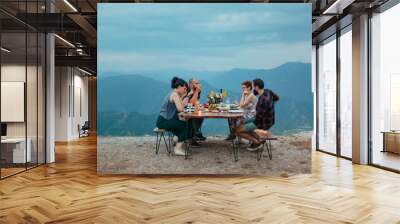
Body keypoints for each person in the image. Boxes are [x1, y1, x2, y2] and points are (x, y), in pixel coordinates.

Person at [234, 78, 279, 151]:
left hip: (263, 122)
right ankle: (255, 138)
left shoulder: (263, 100)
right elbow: (277, 98)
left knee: (237, 131)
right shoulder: (268, 91)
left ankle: (257, 142)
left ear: (257, 87)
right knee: (241, 122)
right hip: (269, 120)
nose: (252, 88)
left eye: (253, 86)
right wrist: (270, 107)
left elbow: (258, 118)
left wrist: (255, 112)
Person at [156, 77, 192, 156]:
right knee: (185, 125)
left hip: (165, 120)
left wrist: (183, 96)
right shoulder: (175, 95)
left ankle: (177, 139)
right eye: (184, 88)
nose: (185, 90)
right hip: (163, 121)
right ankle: (177, 149)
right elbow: (180, 109)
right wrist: (185, 96)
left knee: (186, 123)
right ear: (179, 86)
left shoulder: (175, 94)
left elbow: (181, 106)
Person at [184, 78, 206, 146]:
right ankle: (193, 135)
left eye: (198, 83)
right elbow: (190, 103)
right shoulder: (187, 91)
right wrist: (196, 91)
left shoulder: (197, 91)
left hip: (191, 109)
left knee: (201, 116)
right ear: (190, 84)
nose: (198, 85)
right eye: (196, 83)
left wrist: (199, 105)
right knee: (196, 117)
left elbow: (195, 102)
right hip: (184, 110)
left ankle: (195, 133)